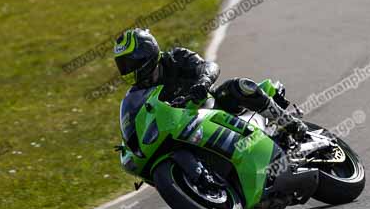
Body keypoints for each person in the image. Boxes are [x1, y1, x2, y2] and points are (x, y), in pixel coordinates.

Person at [113, 28, 308, 139]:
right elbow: (137, 122)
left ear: (147, 52)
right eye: (124, 65)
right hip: (186, 129)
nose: (129, 69)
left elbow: (210, 67)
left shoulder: (176, 58)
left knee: (239, 86)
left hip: (216, 107)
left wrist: (203, 83)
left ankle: (291, 125)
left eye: (132, 62)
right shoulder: (138, 94)